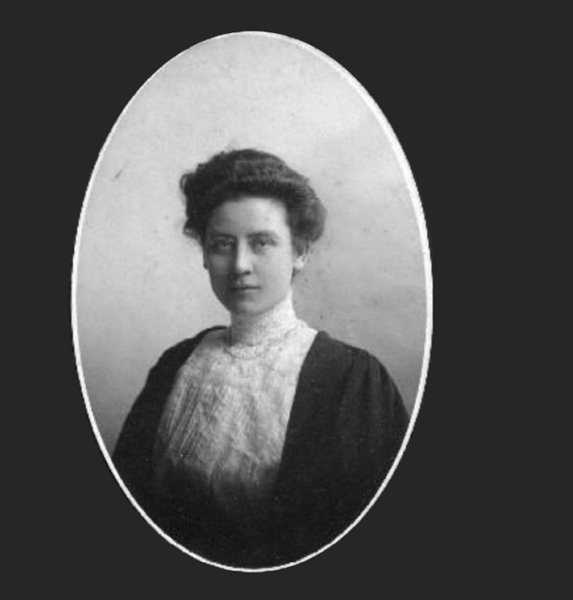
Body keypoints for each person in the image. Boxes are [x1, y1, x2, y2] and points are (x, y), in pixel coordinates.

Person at [112, 148, 410, 568]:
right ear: (203, 254)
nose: (239, 265)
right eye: (222, 244)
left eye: (262, 242)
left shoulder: (350, 379)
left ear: (300, 251)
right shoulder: (176, 364)